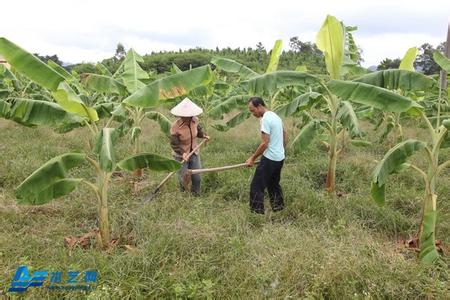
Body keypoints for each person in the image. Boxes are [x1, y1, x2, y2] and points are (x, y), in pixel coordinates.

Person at [245, 96, 287, 214]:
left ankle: (256, 214)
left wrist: (252, 158)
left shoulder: (265, 119)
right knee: (274, 185)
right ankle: (279, 209)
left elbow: (265, 143)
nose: (252, 113)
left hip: (269, 159)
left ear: (259, 106)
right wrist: (281, 150)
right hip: (279, 158)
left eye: (252, 110)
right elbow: (285, 134)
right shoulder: (275, 116)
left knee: (256, 187)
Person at [169, 97, 210, 195]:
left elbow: (198, 131)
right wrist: (182, 153)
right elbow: (174, 143)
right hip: (180, 156)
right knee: (183, 179)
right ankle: (184, 196)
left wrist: (204, 135)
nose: (187, 117)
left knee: (197, 177)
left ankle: (196, 194)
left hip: (194, 152)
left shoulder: (195, 120)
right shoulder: (175, 127)